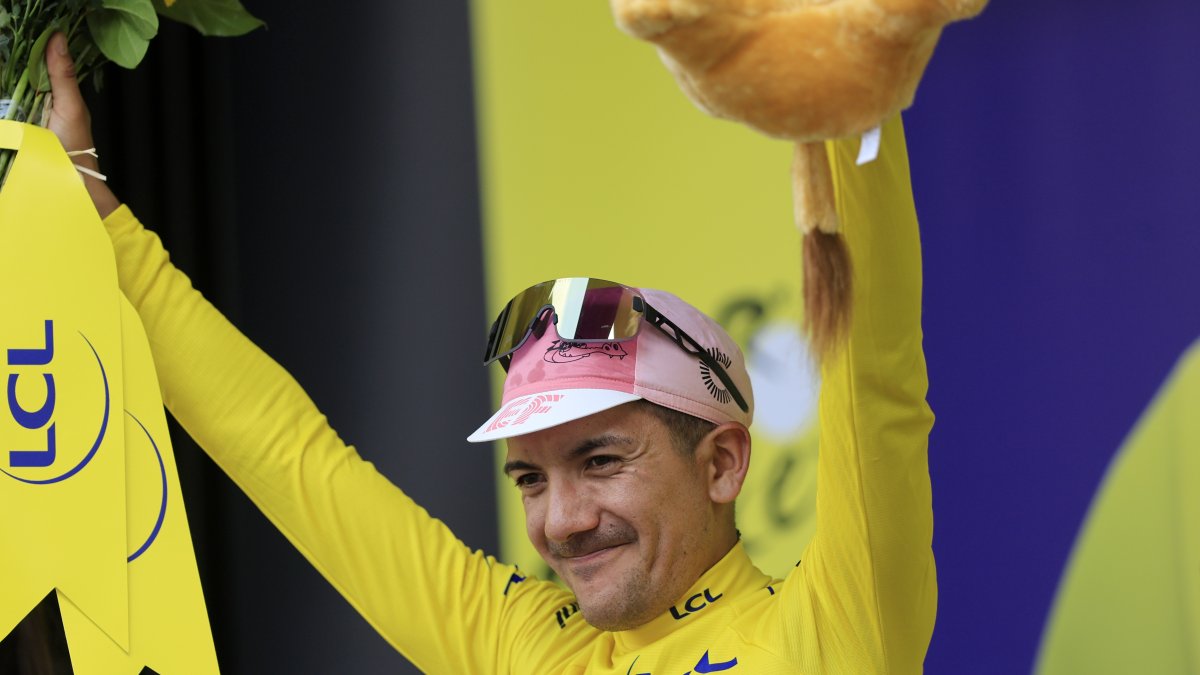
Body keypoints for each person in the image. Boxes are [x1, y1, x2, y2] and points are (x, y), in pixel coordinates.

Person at [45, 30, 936, 674]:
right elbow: (288, 456)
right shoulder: (522, 641)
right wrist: (90, 203)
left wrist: (842, 81)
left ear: (723, 461)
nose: (562, 520)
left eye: (598, 458)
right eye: (531, 478)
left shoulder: (829, 634)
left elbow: (876, 371)